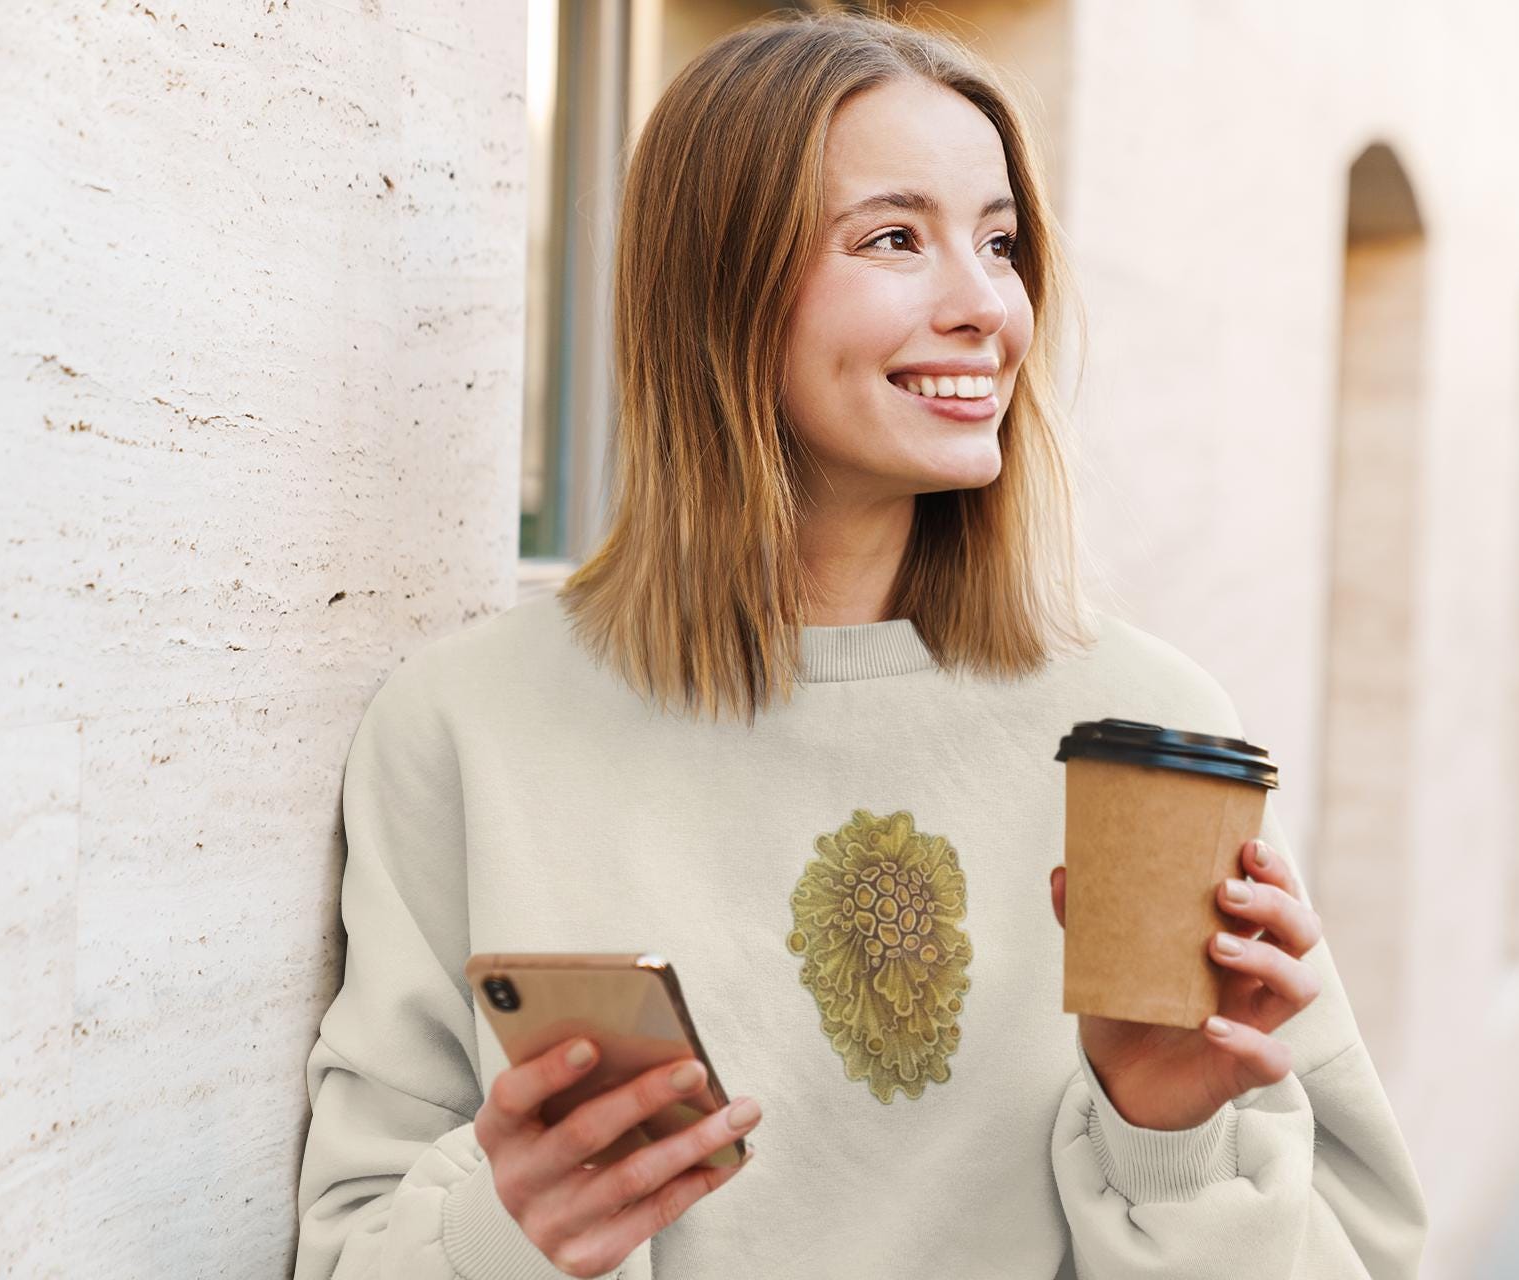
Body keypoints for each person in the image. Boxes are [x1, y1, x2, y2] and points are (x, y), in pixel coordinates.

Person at [292, 10, 1428, 1278]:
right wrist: (509, 1229)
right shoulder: (468, 727)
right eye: (896, 237)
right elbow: (353, 1243)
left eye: (1001, 244)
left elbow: (1365, 1254)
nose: (987, 305)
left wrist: (1168, 1139)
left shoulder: (1148, 734)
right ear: (720, 286)